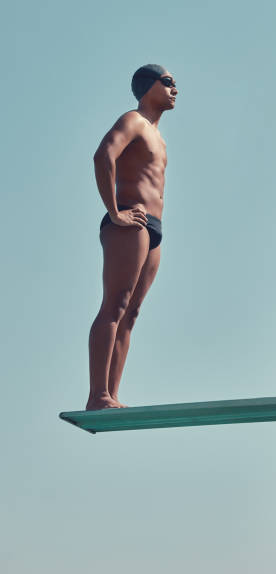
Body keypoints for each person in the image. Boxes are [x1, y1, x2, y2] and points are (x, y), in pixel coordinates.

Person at [86, 64, 178, 411]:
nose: (175, 89)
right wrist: (114, 211)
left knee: (132, 313)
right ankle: (98, 396)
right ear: (148, 86)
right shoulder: (134, 120)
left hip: (153, 227)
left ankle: (112, 394)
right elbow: (103, 155)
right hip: (129, 221)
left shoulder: (159, 135)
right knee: (115, 305)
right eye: (168, 82)